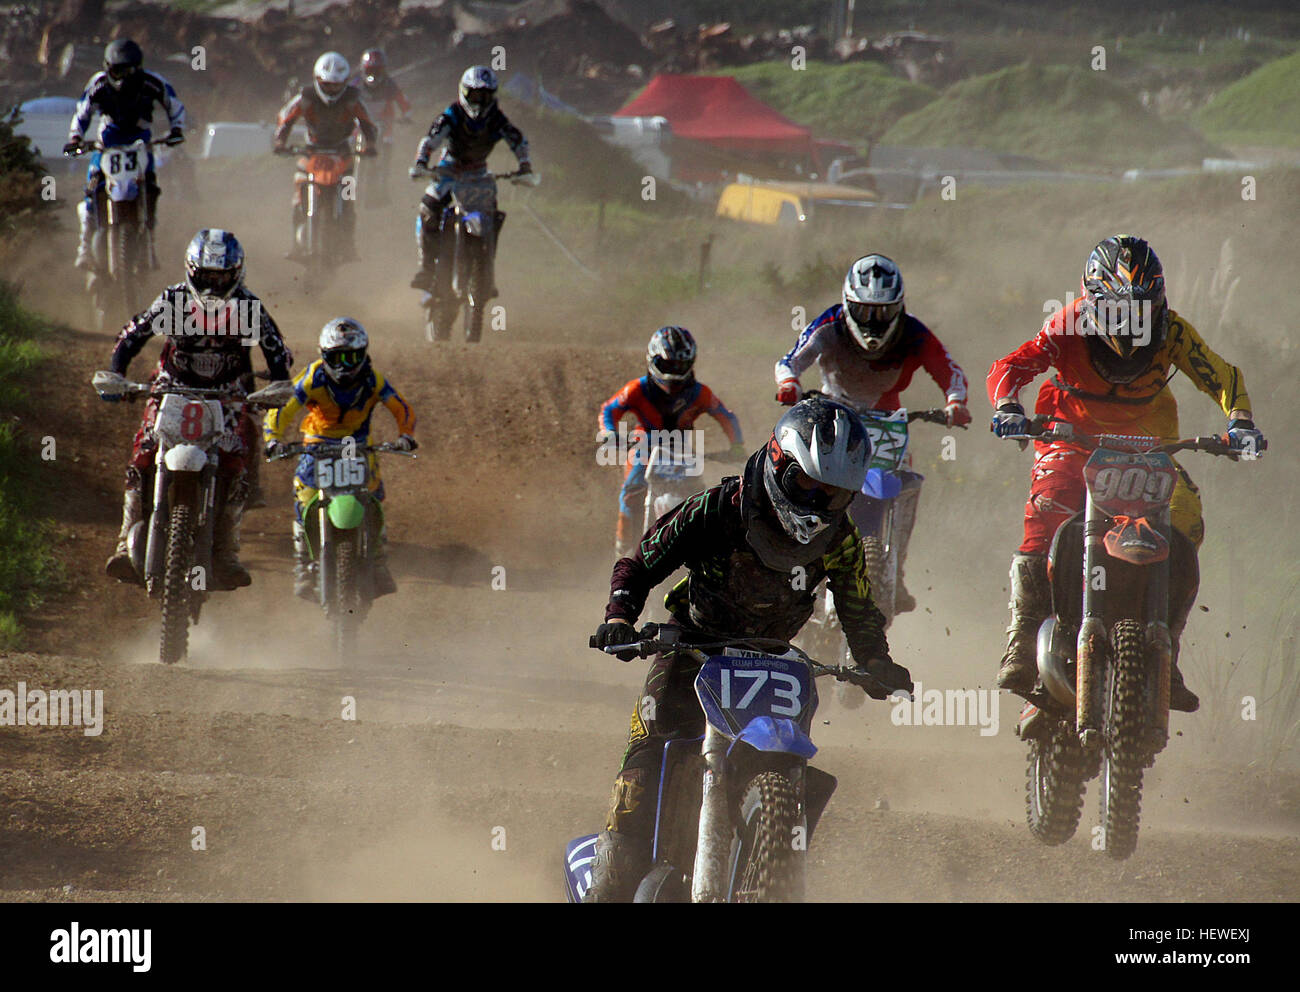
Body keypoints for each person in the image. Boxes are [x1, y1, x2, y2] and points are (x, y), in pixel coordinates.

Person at [584, 395, 914, 901]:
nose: (819, 502)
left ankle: (766, 874)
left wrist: (874, 661)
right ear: (781, 465)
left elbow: (858, 607)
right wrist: (619, 619)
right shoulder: (720, 508)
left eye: (834, 493)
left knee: (791, 768)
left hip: (771, 660)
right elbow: (640, 562)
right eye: (809, 484)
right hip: (688, 648)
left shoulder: (840, 539)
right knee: (639, 781)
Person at [988, 234, 1266, 712]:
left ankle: (1166, 645)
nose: (1132, 325)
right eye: (1120, 312)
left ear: (1159, 303)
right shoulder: (1069, 324)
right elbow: (1012, 365)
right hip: (1071, 436)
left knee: (1185, 518)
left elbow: (1221, 376)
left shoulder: (1174, 332)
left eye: (1143, 311)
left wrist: (1238, 420)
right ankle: (1022, 634)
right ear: (1094, 303)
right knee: (1048, 506)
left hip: (1149, 440)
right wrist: (1009, 405)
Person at [96, 230, 293, 589]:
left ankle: (227, 552)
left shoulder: (247, 306)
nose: (214, 284)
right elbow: (132, 335)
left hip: (227, 393)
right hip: (171, 385)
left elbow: (276, 348)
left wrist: (281, 383)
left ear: (236, 274)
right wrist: (115, 374)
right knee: (143, 454)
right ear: (192, 270)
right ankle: (126, 544)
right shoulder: (174, 300)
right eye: (206, 275)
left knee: (236, 462)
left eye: (221, 276)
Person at [774, 253, 970, 611]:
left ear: (899, 307)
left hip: (887, 421)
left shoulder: (913, 332)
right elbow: (791, 360)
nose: (873, 322)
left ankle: (896, 571)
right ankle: (789, 552)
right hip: (830, 411)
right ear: (849, 305)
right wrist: (789, 383)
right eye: (865, 312)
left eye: (882, 312)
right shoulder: (829, 324)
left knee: (906, 483)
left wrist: (955, 402)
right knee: (800, 472)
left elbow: (949, 369)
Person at [263, 318, 417, 600]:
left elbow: (401, 407)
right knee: (305, 497)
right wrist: (272, 438)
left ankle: (379, 559)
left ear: (364, 354)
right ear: (324, 355)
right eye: (338, 358)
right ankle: (302, 566)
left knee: (373, 497)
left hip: (359, 446)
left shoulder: (373, 380)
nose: (345, 365)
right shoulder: (313, 377)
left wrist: (406, 434)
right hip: (317, 444)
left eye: (353, 357)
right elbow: (282, 406)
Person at [599, 326, 745, 557]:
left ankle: (706, 549)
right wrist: (609, 433)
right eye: (669, 365)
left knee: (700, 496)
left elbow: (726, 416)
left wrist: (737, 447)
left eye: (680, 366)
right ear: (654, 359)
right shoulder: (637, 389)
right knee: (632, 490)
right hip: (644, 443)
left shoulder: (699, 392)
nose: (675, 373)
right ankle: (624, 547)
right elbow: (610, 409)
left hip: (681, 447)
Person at [408, 65, 538, 292]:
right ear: (464, 92)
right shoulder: (452, 115)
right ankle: (427, 268)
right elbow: (430, 140)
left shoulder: (497, 119)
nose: (479, 101)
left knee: (493, 216)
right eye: (474, 95)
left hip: (478, 173)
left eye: (485, 96)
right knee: (428, 207)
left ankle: (486, 274)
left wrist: (525, 166)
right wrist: (421, 164)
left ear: (492, 96)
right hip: (448, 170)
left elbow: (518, 141)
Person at [64, 38, 186, 273]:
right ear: (108, 67)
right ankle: (84, 248)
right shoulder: (98, 83)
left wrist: (177, 130)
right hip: (107, 142)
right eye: (117, 70)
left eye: (128, 70)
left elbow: (174, 105)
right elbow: (82, 113)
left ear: (138, 67)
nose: (122, 77)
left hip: (140, 141)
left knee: (151, 187)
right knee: (91, 190)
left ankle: (149, 242)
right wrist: (75, 138)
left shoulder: (153, 82)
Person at [272, 52, 378, 260]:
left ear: (345, 83)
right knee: (298, 195)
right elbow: (285, 119)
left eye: (336, 85)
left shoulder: (353, 99)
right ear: (318, 80)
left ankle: (348, 245)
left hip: (343, 153)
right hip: (311, 151)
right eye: (327, 84)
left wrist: (371, 145)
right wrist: (280, 143)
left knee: (349, 198)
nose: (332, 89)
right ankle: (296, 244)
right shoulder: (305, 97)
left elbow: (368, 123)